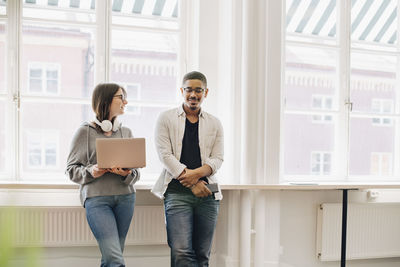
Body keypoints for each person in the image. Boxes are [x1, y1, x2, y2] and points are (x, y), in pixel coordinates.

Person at [152, 71, 224, 267]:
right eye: (189, 90)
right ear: (181, 91)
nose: (193, 95)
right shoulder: (166, 118)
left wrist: (196, 175)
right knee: (181, 252)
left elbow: (218, 159)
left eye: (198, 90)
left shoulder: (215, 123)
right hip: (176, 192)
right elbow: (165, 155)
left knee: (202, 255)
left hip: (207, 194)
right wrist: (191, 181)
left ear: (206, 93)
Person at [66, 83, 140, 267]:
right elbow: (71, 170)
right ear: (106, 100)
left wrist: (126, 173)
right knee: (115, 258)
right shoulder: (84, 132)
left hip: (125, 199)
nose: (125, 101)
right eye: (121, 97)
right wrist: (92, 171)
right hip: (97, 200)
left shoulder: (126, 132)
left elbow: (137, 173)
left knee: (112, 257)